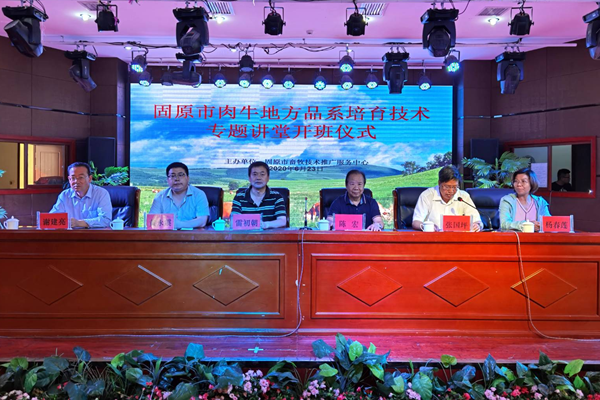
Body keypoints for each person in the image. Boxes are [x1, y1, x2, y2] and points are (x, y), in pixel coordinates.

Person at [412, 165, 482, 232]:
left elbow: (477, 221)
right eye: (447, 187)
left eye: (455, 187)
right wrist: (427, 227)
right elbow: (416, 222)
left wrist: (477, 225)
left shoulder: (463, 197)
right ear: (439, 183)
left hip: (458, 238)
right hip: (433, 237)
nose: (451, 191)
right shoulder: (427, 195)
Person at [50, 162, 112, 228]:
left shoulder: (101, 193)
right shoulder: (64, 195)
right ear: (69, 179)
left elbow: (106, 220)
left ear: (90, 178)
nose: (76, 181)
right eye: (73, 178)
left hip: (94, 234)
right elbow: (53, 218)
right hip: (70, 234)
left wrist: (79, 223)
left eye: (81, 177)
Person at [149, 162, 209, 229]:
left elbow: (202, 221)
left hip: (192, 234)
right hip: (167, 234)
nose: (177, 179)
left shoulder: (199, 194)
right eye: (172, 176)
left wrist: (179, 224)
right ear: (167, 180)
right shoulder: (160, 197)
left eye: (180, 175)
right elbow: (152, 222)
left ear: (187, 178)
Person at [231, 161, 287, 229]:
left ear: (268, 178)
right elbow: (234, 221)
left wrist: (265, 225)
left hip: (270, 235)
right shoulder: (239, 198)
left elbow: (282, 221)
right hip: (246, 235)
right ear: (249, 178)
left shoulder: (277, 197)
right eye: (254, 174)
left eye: (262, 174)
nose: (258, 178)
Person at [499, 167, 550, 232]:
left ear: (532, 183)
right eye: (516, 181)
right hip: (514, 237)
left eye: (523, 181)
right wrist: (527, 225)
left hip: (537, 237)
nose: (519, 184)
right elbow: (504, 224)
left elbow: (549, 223)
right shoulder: (507, 201)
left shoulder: (540, 202)